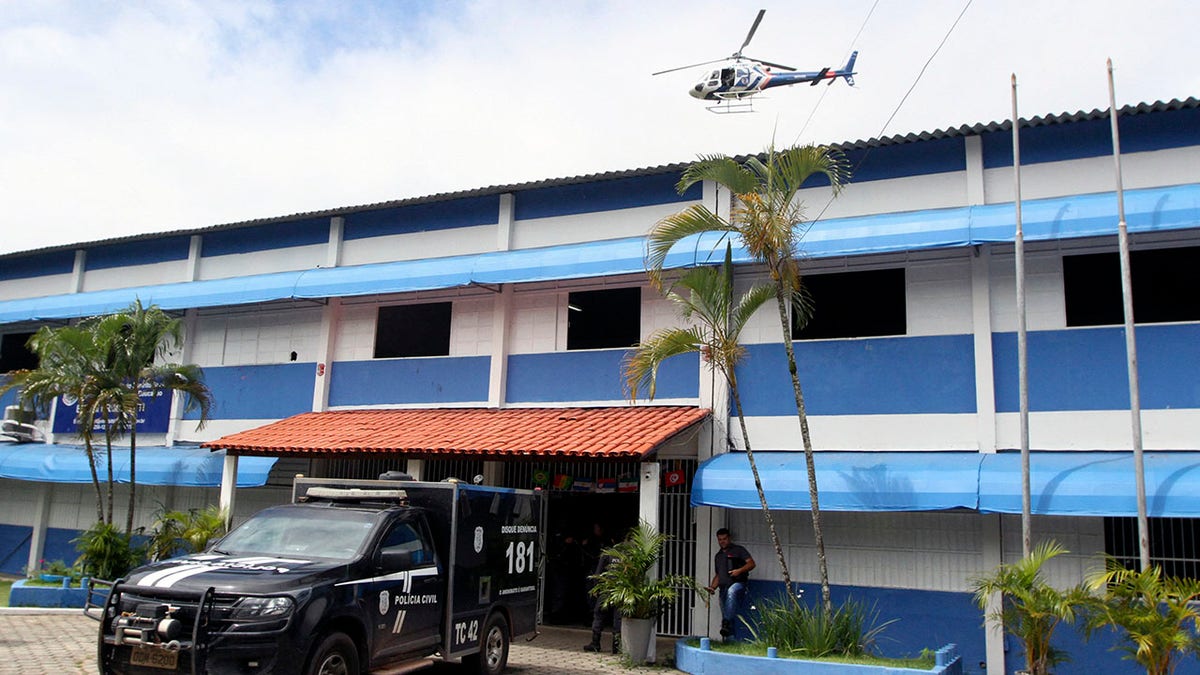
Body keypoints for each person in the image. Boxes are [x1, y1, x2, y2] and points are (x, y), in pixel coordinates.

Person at [706, 527, 755, 639]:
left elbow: (751, 564)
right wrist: (712, 587)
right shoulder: (718, 556)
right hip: (723, 587)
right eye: (720, 539)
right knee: (727, 613)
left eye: (724, 539)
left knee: (731, 592)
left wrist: (739, 571)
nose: (722, 541)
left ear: (729, 538)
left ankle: (726, 623)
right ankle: (729, 640)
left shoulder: (739, 550)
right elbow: (718, 575)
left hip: (738, 583)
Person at [583, 548, 621, 654]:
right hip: (621, 589)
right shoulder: (629, 553)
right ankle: (616, 646)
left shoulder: (608, 553)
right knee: (618, 618)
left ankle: (595, 643)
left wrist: (596, 588)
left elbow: (599, 572)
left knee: (599, 614)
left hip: (606, 588)